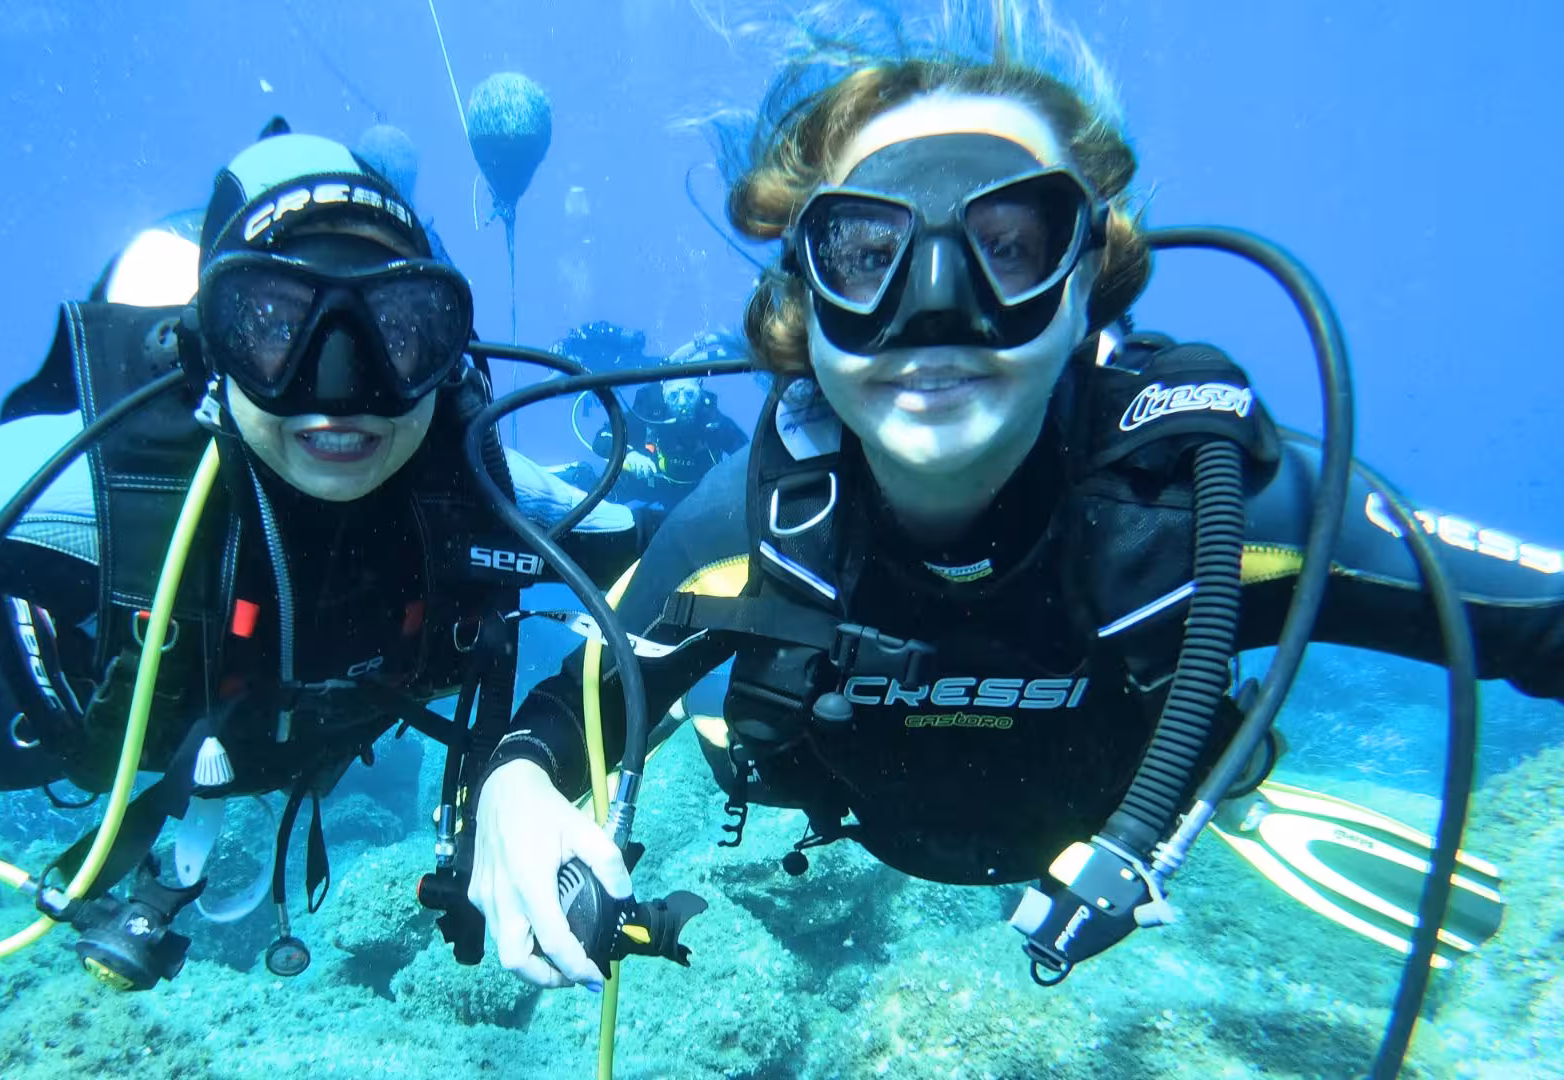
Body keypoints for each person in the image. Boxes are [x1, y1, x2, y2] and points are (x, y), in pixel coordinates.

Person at [465, 4, 1562, 998]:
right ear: (802, 302)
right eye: (867, 253)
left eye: (1007, 248)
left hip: (1119, 812)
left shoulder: (1219, 509)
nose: (937, 310)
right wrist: (513, 786)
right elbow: (574, 710)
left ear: (1089, 278)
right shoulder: (740, 536)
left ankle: (1217, 783)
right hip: (860, 813)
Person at [0, 130, 641, 985]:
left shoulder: (489, 489)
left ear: (448, 346)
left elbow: (665, 558)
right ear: (209, 345)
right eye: (276, 327)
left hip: (247, 739)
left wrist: (527, 762)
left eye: (398, 330)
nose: (342, 389)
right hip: (54, 715)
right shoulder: (90, 489)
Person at [550, 326, 751, 523]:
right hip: (646, 483)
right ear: (663, 390)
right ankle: (569, 478)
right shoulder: (647, 415)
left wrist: (729, 482)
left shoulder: (713, 421)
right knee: (593, 493)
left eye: (689, 395)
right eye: (674, 395)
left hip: (690, 495)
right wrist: (629, 453)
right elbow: (601, 440)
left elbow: (748, 455)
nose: (681, 403)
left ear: (700, 387)